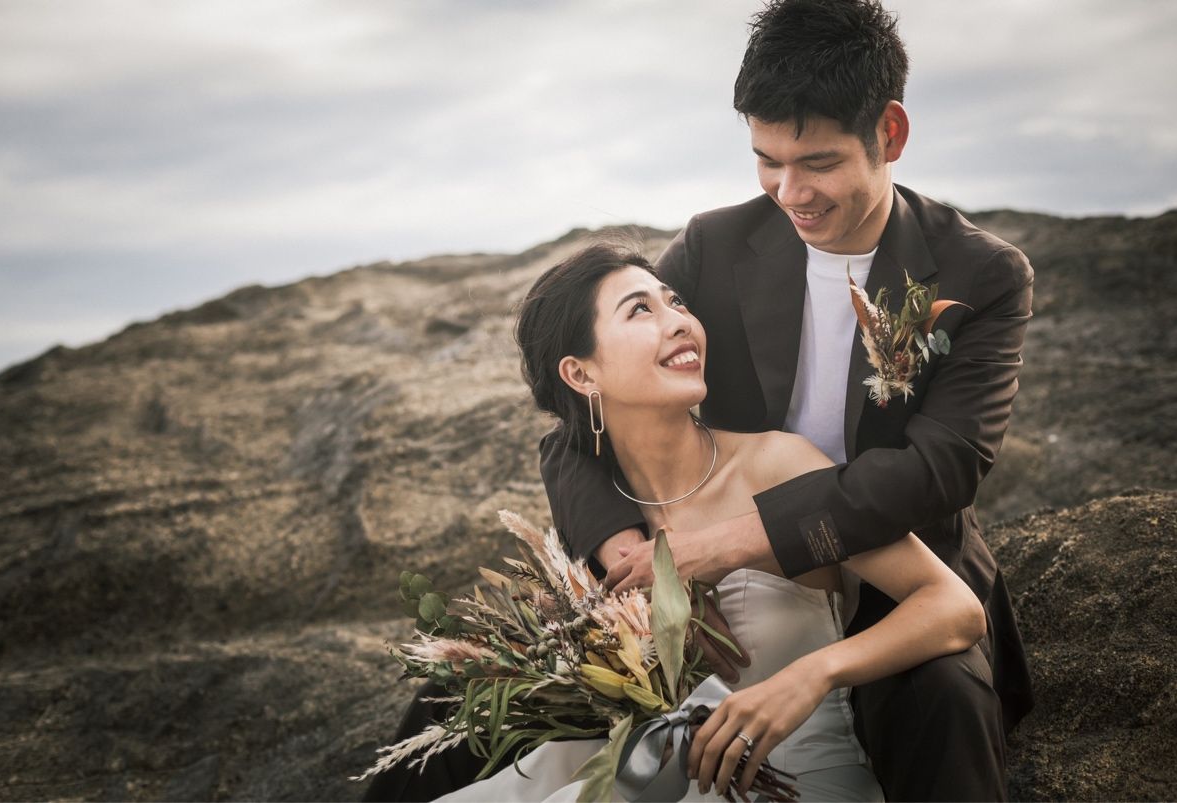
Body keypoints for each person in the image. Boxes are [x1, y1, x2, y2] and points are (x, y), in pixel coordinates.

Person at [540, 1, 1035, 800]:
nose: (789, 190)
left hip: (899, 574)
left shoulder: (978, 274)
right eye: (765, 160)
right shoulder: (714, 246)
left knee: (944, 701)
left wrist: (730, 541)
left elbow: (942, 467)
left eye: (817, 162)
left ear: (889, 133)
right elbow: (577, 427)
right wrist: (648, 570)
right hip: (735, 588)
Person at [437, 243, 985, 802]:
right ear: (581, 373)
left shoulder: (776, 464)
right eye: (640, 309)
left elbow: (956, 608)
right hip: (652, 774)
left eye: (675, 301)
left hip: (796, 780)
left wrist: (813, 674)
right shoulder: (600, 523)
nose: (679, 321)